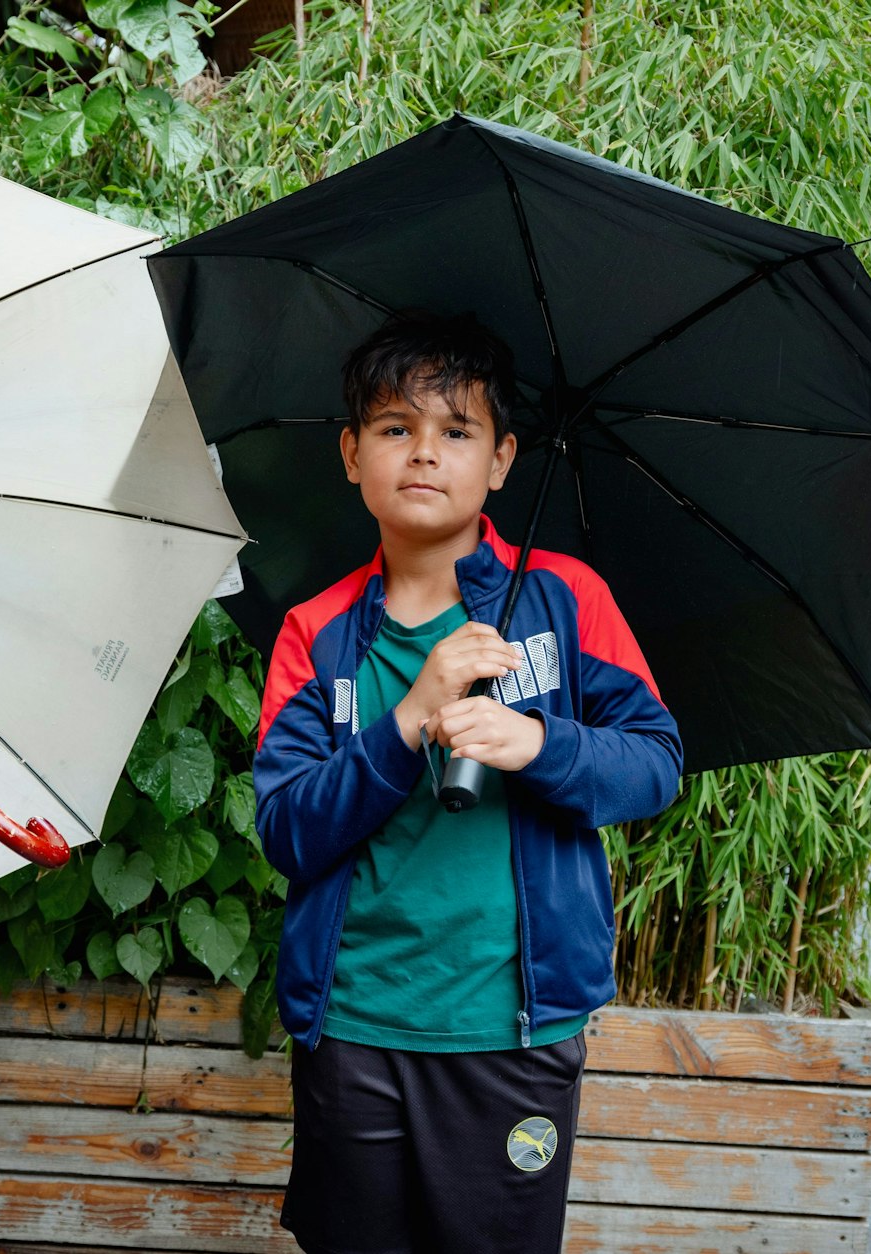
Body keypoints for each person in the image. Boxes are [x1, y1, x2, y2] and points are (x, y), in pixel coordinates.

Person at [254, 313, 682, 1254]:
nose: (424, 453)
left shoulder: (565, 600)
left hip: (514, 1033)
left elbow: (655, 761)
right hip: (358, 1025)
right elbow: (286, 829)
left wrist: (537, 743)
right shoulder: (317, 634)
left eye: (457, 432)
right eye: (394, 428)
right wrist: (408, 720)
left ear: (501, 460)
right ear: (351, 454)